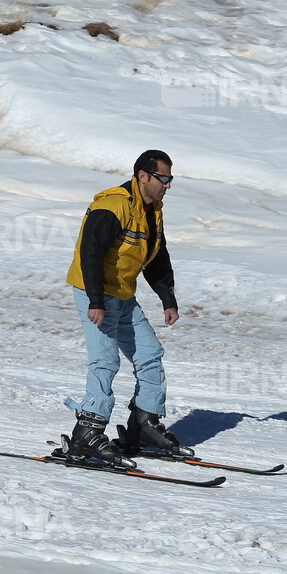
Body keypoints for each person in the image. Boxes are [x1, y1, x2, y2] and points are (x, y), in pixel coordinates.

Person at [63, 150, 192, 465]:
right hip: (96, 292)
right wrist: (95, 300)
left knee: (149, 355)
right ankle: (87, 433)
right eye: (163, 179)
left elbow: (157, 255)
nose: (168, 185)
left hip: (121, 294)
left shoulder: (151, 210)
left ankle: (143, 425)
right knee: (105, 361)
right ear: (143, 176)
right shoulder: (113, 205)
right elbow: (90, 251)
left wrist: (168, 298)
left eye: (170, 179)